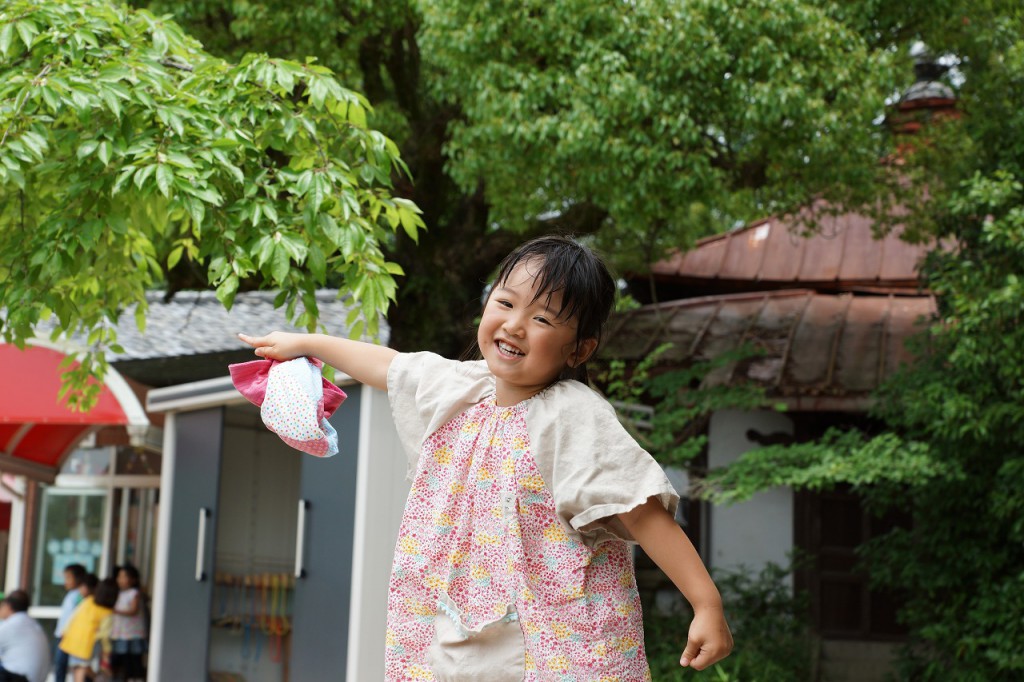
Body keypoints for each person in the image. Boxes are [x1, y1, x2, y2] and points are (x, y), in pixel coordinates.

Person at [240, 235, 733, 679]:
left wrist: (706, 604)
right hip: (455, 626)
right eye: (506, 302)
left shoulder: (573, 417)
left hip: (561, 640)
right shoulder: (460, 389)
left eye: (542, 318)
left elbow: (640, 510)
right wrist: (306, 344)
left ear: (579, 350)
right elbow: (389, 366)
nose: (515, 325)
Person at [59, 579, 118, 682]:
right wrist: (107, 651)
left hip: (73, 640)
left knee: (78, 667)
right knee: (81, 668)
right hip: (88, 644)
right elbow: (104, 636)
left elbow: (74, 617)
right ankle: (98, 678)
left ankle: (97, 678)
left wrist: (65, 631)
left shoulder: (89, 601)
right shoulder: (107, 612)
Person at [0, 590, 49, 682]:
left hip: (19, 678)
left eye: (2, 605)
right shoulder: (34, 625)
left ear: (8, 606)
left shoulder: (11, 625)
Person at [109, 566, 146, 682]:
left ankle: (136, 678)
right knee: (122, 659)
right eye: (119, 577)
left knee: (133, 660)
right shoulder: (119, 593)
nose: (120, 579)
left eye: (124, 577)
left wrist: (116, 611)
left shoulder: (134, 593)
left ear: (133, 579)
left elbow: (134, 610)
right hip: (120, 633)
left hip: (132, 633)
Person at [53, 564, 87, 682]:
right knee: (59, 665)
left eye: (68, 578)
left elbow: (76, 617)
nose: (65, 582)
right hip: (62, 635)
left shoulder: (79, 595)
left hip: (70, 637)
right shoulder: (71, 594)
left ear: (79, 578)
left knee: (67, 665)